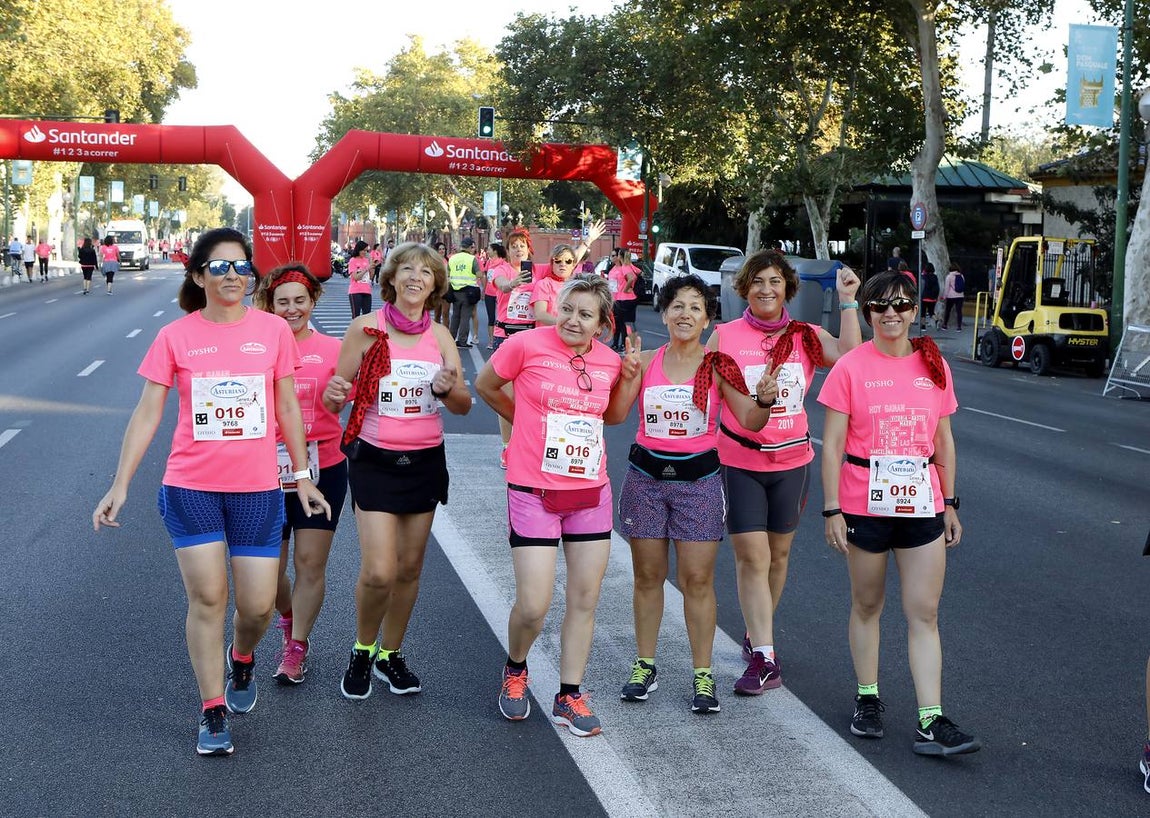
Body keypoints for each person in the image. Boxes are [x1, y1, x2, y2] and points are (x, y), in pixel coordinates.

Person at [91, 227, 331, 757]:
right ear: (198, 276)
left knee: (258, 606)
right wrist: (120, 484)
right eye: (219, 267)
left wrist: (302, 475)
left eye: (241, 267)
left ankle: (242, 655)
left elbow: (288, 406)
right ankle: (212, 707)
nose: (231, 276)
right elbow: (148, 411)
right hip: (191, 486)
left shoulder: (272, 332)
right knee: (208, 598)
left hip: (257, 490)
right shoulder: (175, 336)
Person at [818, 269, 978, 757]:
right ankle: (868, 698)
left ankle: (931, 718)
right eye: (881, 306)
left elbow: (944, 439)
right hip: (864, 502)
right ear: (867, 312)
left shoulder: (934, 364)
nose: (891, 314)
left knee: (924, 613)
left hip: (923, 502)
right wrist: (831, 510)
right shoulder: (851, 366)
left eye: (901, 305)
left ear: (914, 310)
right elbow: (833, 446)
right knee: (867, 605)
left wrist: (949, 501)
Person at [609, 275, 779, 714]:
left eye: (695, 307)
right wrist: (627, 377)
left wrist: (763, 401)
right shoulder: (644, 360)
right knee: (647, 577)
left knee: (697, 581)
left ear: (707, 318)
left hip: (699, 483)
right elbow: (616, 416)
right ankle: (645, 665)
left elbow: (750, 421)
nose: (686, 314)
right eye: (677, 306)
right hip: (646, 478)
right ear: (663, 314)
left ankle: (702, 675)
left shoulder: (719, 366)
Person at [475, 274, 632, 737]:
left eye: (585, 315)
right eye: (568, 309)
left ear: (602, 325)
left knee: (585, 598)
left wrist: (632, 380)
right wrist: (523, 419)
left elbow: (614, 416)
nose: (572, 320)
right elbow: (487, 385)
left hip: (589, 492)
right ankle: (516, 668)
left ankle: (569, 693)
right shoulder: (525, 345)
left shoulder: (609, 361)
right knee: (534, 604)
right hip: (532, 490)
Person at [706, 249, 861, 695]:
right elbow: (699, 387)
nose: (766, 289)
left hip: (793, 464)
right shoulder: (725, 336)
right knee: (752, 558)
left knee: (778, 557)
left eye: (774, 281)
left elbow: (849, 357)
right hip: (739, 461)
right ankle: (765, 657)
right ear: (745, 289)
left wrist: (848, 301)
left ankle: (759, 635)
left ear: (787, 287)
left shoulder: (806, 336)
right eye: (757, 282)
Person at [323, 242, 471, 701]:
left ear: (435, 285)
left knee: (409, 569)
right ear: (390, 278)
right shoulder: (365, 329)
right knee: (379, 571)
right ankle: (362, 649)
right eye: (406, 269)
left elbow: (464, 406)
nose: (415, 277)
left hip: (424, 461)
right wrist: (333, 392)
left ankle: (391, 654)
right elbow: (335, 399)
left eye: (425, 273)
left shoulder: (441, 337)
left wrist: (449, 390)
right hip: (374, 460)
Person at [253, 264, 348, 685]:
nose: (292, 309)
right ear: (269, 304)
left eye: (300, 301)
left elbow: (352, 402)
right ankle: (289, 618)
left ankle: (297, 647)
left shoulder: (334, 349)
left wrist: (339, 396)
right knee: (269, 572)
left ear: (313, 302)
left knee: (310, 563)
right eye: (282, 301)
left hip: (324, 465)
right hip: (264, 470)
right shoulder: (255, 347)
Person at [447, 237, 482, 348]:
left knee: (455, 316)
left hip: (455, 291)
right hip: (468, 292)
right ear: (470, 247)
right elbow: (479, 274)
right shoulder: (472, 259)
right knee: (465, 317)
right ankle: (462, 341)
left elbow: (448, 273)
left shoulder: (452, 258)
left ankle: (451, 339)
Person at [607, 248, 639, 351]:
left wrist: (626, 289)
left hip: (625, 298)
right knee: (618, 323)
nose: (611, 258)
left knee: (626, 323)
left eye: (613, 256)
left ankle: (629, 345)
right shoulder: (615, 268)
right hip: (617, 299)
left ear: (619, 257)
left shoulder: (624, 267)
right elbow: (639, 272)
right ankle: (617, 343)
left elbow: (632, 278)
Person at [347, 240, 373, 319]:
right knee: (356, 316)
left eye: (366, 250)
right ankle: (355, 331)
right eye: (363, 250)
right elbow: (356, 277)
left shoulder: (366, 260)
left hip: (367, 291)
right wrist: (366, 269)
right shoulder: (353, 260)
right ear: (359, 249)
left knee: (367, 316)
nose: (365, 252)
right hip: (355, 291)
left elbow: (371, 276)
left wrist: (371, 263)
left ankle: (364, 331)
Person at [940, 263, 965, 331]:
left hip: (951, 296)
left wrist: (944, 296)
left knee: (948, 310)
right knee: (959, 311)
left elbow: (947, 288)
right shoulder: (961, 276)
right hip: (960, 296)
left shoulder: (949, 276)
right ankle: (959, 327)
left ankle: (945, 325)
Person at [920, 262, 940, 331]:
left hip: (925, 297)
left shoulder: (924, 277)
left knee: (923, 313)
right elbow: (937, 287)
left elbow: (922, 286)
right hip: (932, 298)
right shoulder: (935, 277)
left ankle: (923, 326)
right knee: (931, 312)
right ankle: (936, 320)